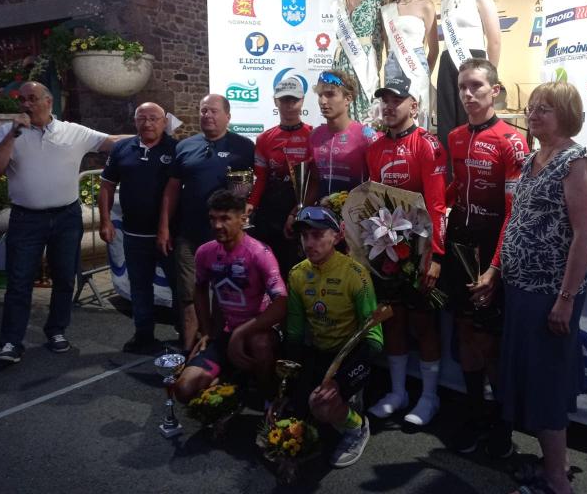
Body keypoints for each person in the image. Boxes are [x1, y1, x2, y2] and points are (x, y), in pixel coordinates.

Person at [472, 82, 587, 494]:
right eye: (531, 107)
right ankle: (555, 463)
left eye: (544, 108)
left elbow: (585, 236)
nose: (533, 114)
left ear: (567, 114)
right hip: (522, 290)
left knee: (546, 384)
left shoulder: (576, 163)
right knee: (537, 380)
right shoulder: (532, 160)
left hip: (550, 294)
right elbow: (517, 220)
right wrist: (495, 270)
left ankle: (556, 481)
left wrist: (565, 299)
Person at [0, 81, 126, 363]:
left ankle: (56, 330)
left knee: (64, 277)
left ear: (48, 102)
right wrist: (13, 134)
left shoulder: (72, 131)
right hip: (26, 219)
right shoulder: (7, 132)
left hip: (66, 217)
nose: (26, 104)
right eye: (22, 99)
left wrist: (152, 132)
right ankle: (11, 342)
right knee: (19, 280)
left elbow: (112, 142)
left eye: (32, 98)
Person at [444, 59, 527, 455]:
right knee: (465, 332)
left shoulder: (512, 140)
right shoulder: (455, 137)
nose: (468, 93)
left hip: (493, 249)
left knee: (490, 342)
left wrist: (495, 268)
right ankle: (475, 414)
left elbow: (514, 212)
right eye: (463, 86)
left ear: (494, 90)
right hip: (460, 246)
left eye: (476, 85)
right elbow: (455, 191)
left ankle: (502, 425)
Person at [365, 75, 448, 427]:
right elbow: (372, 201)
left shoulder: (428, 144)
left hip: (421, 248)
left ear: (413, 105)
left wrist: (436, 256)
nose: (388, 106)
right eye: (384, 100)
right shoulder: (374, 147)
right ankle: (398, 392)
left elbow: (438, 204)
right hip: (387, 247)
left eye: (396, 100)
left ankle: (429, 397)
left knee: (423, 324)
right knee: (393, 320)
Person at [286, 206, 383, 467]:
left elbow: (375, 339)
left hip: (352, 359)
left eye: (318, 235)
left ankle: (358, 427)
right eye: (304, 236)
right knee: (295, 410)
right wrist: (287, 379)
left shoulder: (356, 274)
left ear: (337, 236)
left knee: (322, 406)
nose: (309, 243)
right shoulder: (297, 274)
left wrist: (339, 382)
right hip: (319, 353)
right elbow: (294, 332)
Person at [157, 94, 254, 353]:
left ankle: (217, 350)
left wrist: (248, 208)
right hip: (188, 236)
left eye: (213, 111)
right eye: (203, 111)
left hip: (226, 239)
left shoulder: (245, 147)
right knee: (188, 296)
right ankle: (189, 353)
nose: (207, 115)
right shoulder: (184, 146)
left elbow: (252, 188)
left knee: (224, 297)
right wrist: (164, 227)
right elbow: (172, 189)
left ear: (227, 116)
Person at [173, 190, 287, 403]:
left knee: (260, 344)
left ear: (243, 219)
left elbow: (281, 304)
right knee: (184, 389)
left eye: (225, 218)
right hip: (226, 332)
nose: (217, 225)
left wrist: (240, 333)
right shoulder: (205, 252)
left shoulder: (260, 253)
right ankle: (230, 380)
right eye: (213, 218)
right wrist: (206, 331)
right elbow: (199, 288)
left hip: (259, 332)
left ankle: (267, 400)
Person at [98, 102, 177, 354]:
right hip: (134, 235)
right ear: (135, 121)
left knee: (180, 287)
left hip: (170, 236)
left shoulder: (177, 149)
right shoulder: (121, 148)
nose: (148, 123)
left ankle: (186, 336)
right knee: (139, 288)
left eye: (154, 118)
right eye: (142, 118)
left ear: (164, 122)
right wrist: (105, 221)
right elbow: (107, 185)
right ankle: (143, 336)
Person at [437, 0, 502, 151]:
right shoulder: (445, 1)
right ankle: (449, 168)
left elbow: (494, 40)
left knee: (473, 119)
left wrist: (490, 77)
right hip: (447, 62)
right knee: (447, 123)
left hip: (474, 61)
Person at [247, 77, 312, 276]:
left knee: (301, 269)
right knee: (271, 269)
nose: (289, 105)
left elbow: (316, 179)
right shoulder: (264, 138)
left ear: (302, 101)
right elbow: (261, 178)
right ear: (276, 102)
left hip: (302, 208)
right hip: (272, 211)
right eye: (284, 100)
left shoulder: (314, 135)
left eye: (294, 100)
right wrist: (251, 204)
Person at [381, 0, 439, 130]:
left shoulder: (426, 6)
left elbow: (434, 50)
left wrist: (423, 75)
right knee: (394, 112)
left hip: (417, 66)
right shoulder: (386, 10)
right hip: (393, 66)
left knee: (417, 115)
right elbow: (388, 47)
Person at [333, 0, 386, 122]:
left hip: (365, 66)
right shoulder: (337, 3)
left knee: (367, 118)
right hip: (341, 66)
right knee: (342, 116)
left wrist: (375, 67)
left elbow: (379, 38)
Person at [308, 69, 378, 201]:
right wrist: (300, 209)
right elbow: (314, 182)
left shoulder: (366, 136)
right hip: (320, 212)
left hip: (355, 212)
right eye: (320, 95)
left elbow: (378, 184)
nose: (323, 101)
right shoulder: (315, 136)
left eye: (330, 94)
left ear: (348, 99)